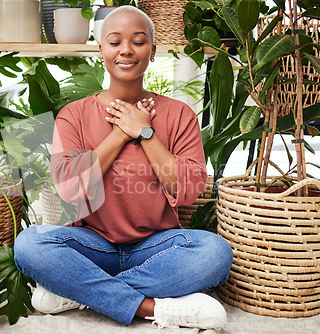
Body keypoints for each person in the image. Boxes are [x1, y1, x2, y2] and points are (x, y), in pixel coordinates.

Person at [14, 6, 233, 330]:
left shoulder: (178, 114)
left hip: (157, 248)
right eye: (115, 41)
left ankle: (80, 292)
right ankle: (150, 307)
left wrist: (145, 132)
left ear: (153, 51)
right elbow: (70, 189)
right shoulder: (74, 115)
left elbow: (188, 189)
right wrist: (119, 133)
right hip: (93, 244)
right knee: (29, 244)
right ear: (101, 50)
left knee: (215, 252)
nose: (126, 50)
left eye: (138, 41)